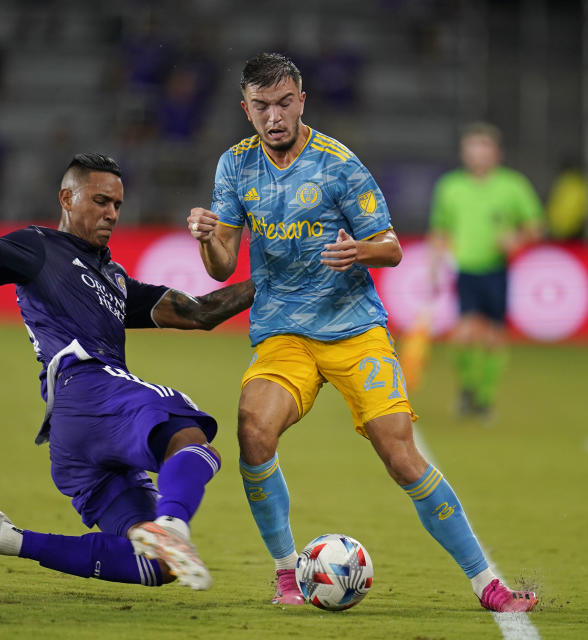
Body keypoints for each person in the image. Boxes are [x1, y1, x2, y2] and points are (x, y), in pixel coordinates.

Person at [187, 52, 537, 613]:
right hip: (283, 333)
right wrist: (208, 236)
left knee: (399, 453)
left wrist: (360, 250)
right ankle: (285, 574)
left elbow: (392, 247)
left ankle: (486, 582)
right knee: (253, 428)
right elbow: (223, 266)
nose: (273, 117)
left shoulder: (339, 164)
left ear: (301, 101)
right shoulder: (235, 166)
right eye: (261, 106)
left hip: (353, 329)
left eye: (283, 103)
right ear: (246, 108)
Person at [0, 148, 256, 591]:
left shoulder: (113, 279)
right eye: (99, 201)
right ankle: (173, 525)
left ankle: (2, 537)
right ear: (66, 198)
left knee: (156, 566)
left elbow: (200, 313)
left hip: (74, 439)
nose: (111, 213)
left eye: (117, 204)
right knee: (189, 434)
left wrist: (274, 279)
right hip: (88, 390)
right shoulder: (37, 248)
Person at [428, 122, 542, 418]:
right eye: (472, 148)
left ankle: (484, 399)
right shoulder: (450, 187)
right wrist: (434, 268)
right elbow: (440, 230)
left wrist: (516, 239)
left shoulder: (513, 185)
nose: (477, 154)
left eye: (483, 148)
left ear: (497, 153)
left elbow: (535, 226)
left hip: (496, 270)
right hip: (466, 271)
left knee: (494, 337)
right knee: (463, 335)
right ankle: (467, 389)